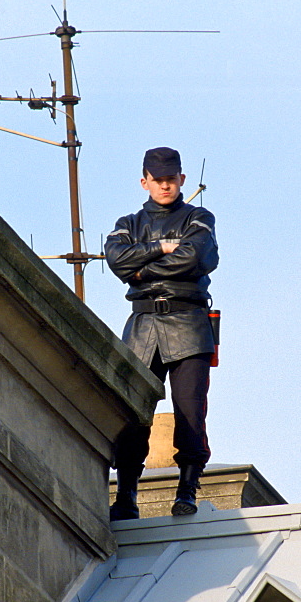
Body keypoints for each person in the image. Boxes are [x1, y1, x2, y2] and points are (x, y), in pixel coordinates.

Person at [104, 147, 219, 520]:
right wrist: (161, 247)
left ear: (182, 179)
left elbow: (196, 257)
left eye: (172, 179)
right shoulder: (128, 223)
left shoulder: (199, 218)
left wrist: (142, 268)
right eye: (158, 180)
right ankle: (126, 495)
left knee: (189, 412)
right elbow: (116, 260)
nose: (166, 185)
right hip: (142, 326)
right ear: (145, 182)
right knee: (133, 413)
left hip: (188, 322)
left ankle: (187, 489)